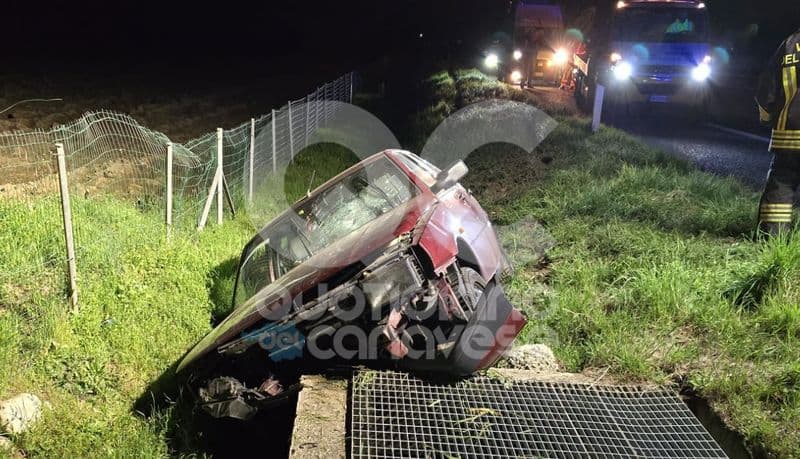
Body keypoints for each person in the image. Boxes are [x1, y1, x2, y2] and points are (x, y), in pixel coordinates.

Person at [756, 28, 800, 235]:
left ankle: (773, 241)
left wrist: (765, 116)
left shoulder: (790, 43)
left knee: (782, 185)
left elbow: (767, 88)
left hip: (789, 133)